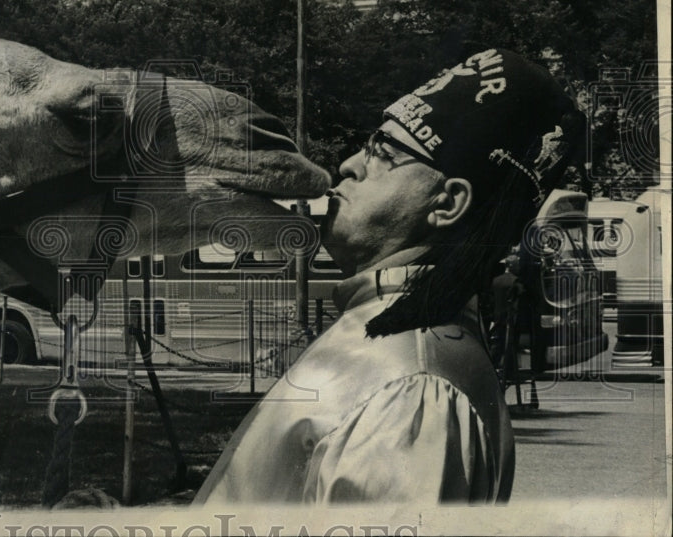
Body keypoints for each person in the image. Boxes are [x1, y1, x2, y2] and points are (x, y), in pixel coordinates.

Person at [194, 48, 585, 505]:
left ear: (446, 204)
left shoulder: (415, 392)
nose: (349, 164)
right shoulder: (397, 342)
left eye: (384, 152)